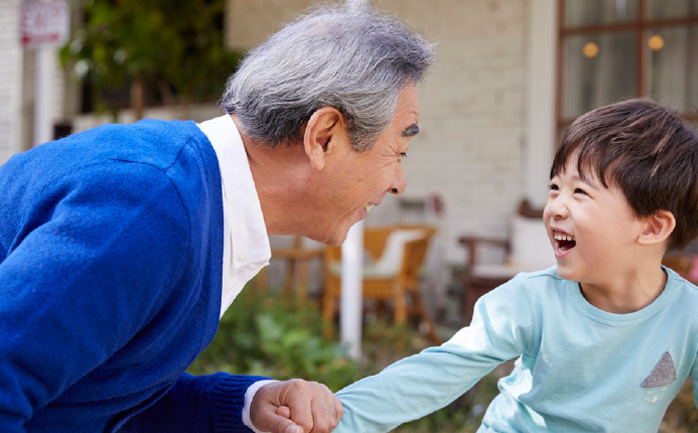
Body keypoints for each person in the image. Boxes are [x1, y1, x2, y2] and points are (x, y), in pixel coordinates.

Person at [0, 2, 435, 432]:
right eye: (398, 151)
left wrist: (249, 404)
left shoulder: (194, 202)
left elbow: (93, 393)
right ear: (323, 137)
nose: (399, 182)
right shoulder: (150, 208)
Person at [333, 98, 698, 433]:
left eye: (580, 192)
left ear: (652, 227)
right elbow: (438, 371)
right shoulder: (530, 300)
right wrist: (335, 418)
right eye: (555, 188)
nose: (555, 207)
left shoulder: (689, 316)